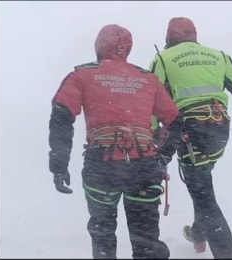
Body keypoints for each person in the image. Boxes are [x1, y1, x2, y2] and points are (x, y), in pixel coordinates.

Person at [48, 24, 183, 259]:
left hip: (102, 166)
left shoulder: (82, 75)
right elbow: (175, 122)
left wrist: (59, 165)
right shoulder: (148, 79)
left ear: (99, 46)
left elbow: (61, 116)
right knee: (145, 239)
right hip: (143, 166)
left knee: (103, 234)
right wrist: (161, 156)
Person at [149, 17, 232, 259]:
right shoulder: (218, 56)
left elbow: (151, 98)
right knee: (202, 182)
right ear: (194, 36)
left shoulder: (162, 58)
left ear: (168, 38)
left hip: (188, 133)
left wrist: (154, 135)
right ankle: (198, 234)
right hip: (219, 132)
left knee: (205, 197)